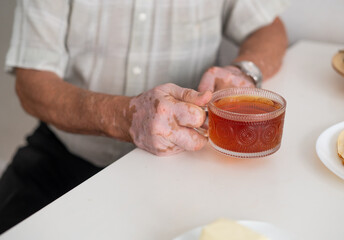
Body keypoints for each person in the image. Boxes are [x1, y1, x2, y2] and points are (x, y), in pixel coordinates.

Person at [0, 0, 288, 234]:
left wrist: (244, 72)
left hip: (184, 163)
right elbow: (31, 82)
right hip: (68, 152)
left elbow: (269, 28)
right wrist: (126, 117)